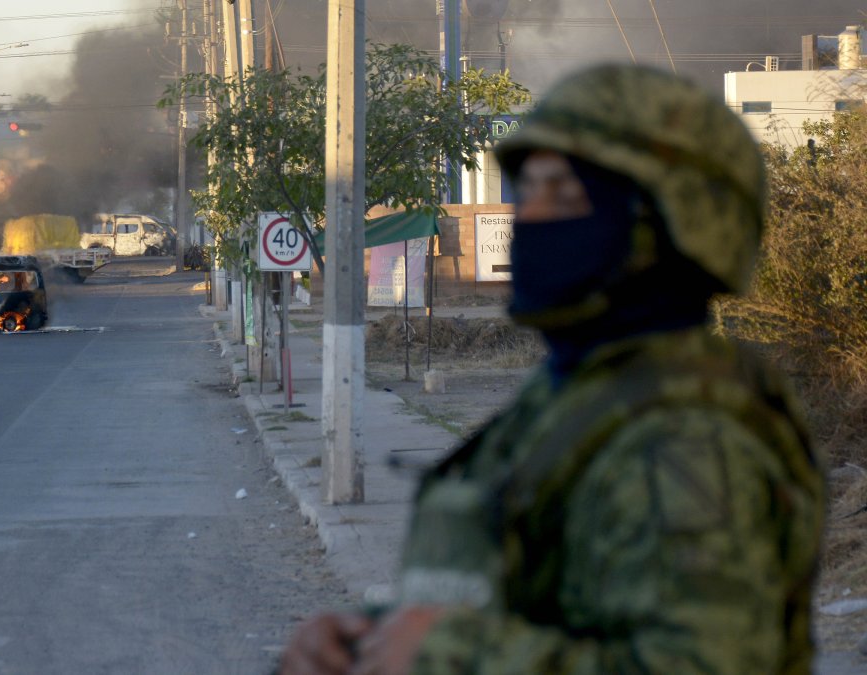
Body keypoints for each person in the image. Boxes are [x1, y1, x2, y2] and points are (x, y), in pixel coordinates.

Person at [280, 64, 826, 675]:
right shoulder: (577, 395)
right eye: (528, 191)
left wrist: (451, 653)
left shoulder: (693, 435)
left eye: (564, 195)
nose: (531, 218)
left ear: (672, 221)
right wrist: (369, 642)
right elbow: (535, 604)